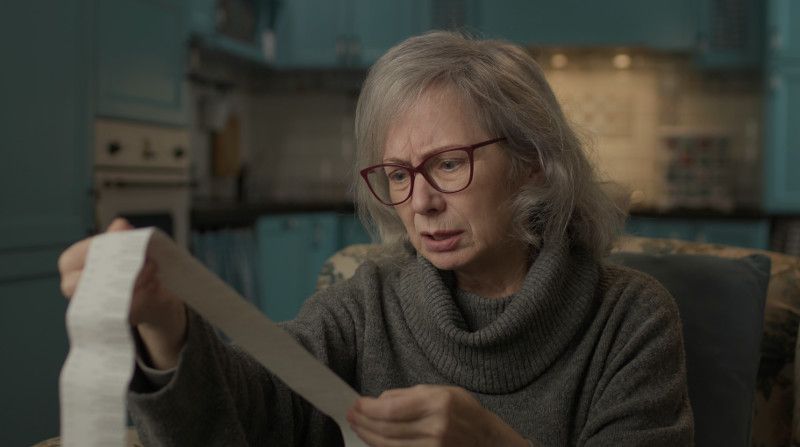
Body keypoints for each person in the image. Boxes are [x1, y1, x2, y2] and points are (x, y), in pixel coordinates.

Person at [58, 31, 693, 446]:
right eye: (397, 174)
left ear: (533, 161)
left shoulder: (630, 319)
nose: (421, 202)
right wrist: (167, 326)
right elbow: (249, 412)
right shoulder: (368, 301)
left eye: (448, 163)